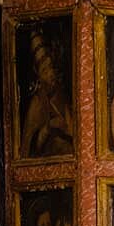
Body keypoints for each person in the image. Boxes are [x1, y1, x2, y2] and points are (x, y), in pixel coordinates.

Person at [21, 29, 74, 158]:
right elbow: (28, 149)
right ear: (38, 74)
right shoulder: (37, 103)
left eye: (51, 67)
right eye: (45, 70)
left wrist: (65, 128)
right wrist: (48, 128)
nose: (51, 74)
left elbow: (72, 131)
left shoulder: (61, 96)